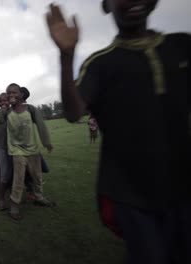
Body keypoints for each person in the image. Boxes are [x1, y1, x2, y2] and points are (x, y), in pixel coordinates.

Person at [46, 1, 190, 263]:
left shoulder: (181, 46)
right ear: (107, 6)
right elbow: (73, 111)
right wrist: (66, 57)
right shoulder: (100, 64)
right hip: (130, 194)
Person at [0, 84, 55, 220]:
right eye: (8, 93)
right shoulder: (6, 112)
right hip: (16, 150)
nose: (11, 95)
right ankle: (14, 206)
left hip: (32, 149)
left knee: (37, 176)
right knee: (18, 177)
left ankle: (39, 197)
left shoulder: (31, 109)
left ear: (21, 95)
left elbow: (41, 125)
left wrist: (46, 142)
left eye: (14, 92)